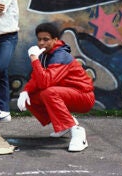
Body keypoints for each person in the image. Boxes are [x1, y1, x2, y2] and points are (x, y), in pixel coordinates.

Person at [16, 22, 95, 152]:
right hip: (68, 94)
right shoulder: (45, 54)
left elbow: (44, 82)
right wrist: (25, 91)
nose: (41, 43)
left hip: (83, 96)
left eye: (46, 39)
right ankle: (63, 124)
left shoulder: (60, 56)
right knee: (31, 96)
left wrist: (34, 59)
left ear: (55, 40)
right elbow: (36, 78)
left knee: (48, 92)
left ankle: (78, 134)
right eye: (39, 39)